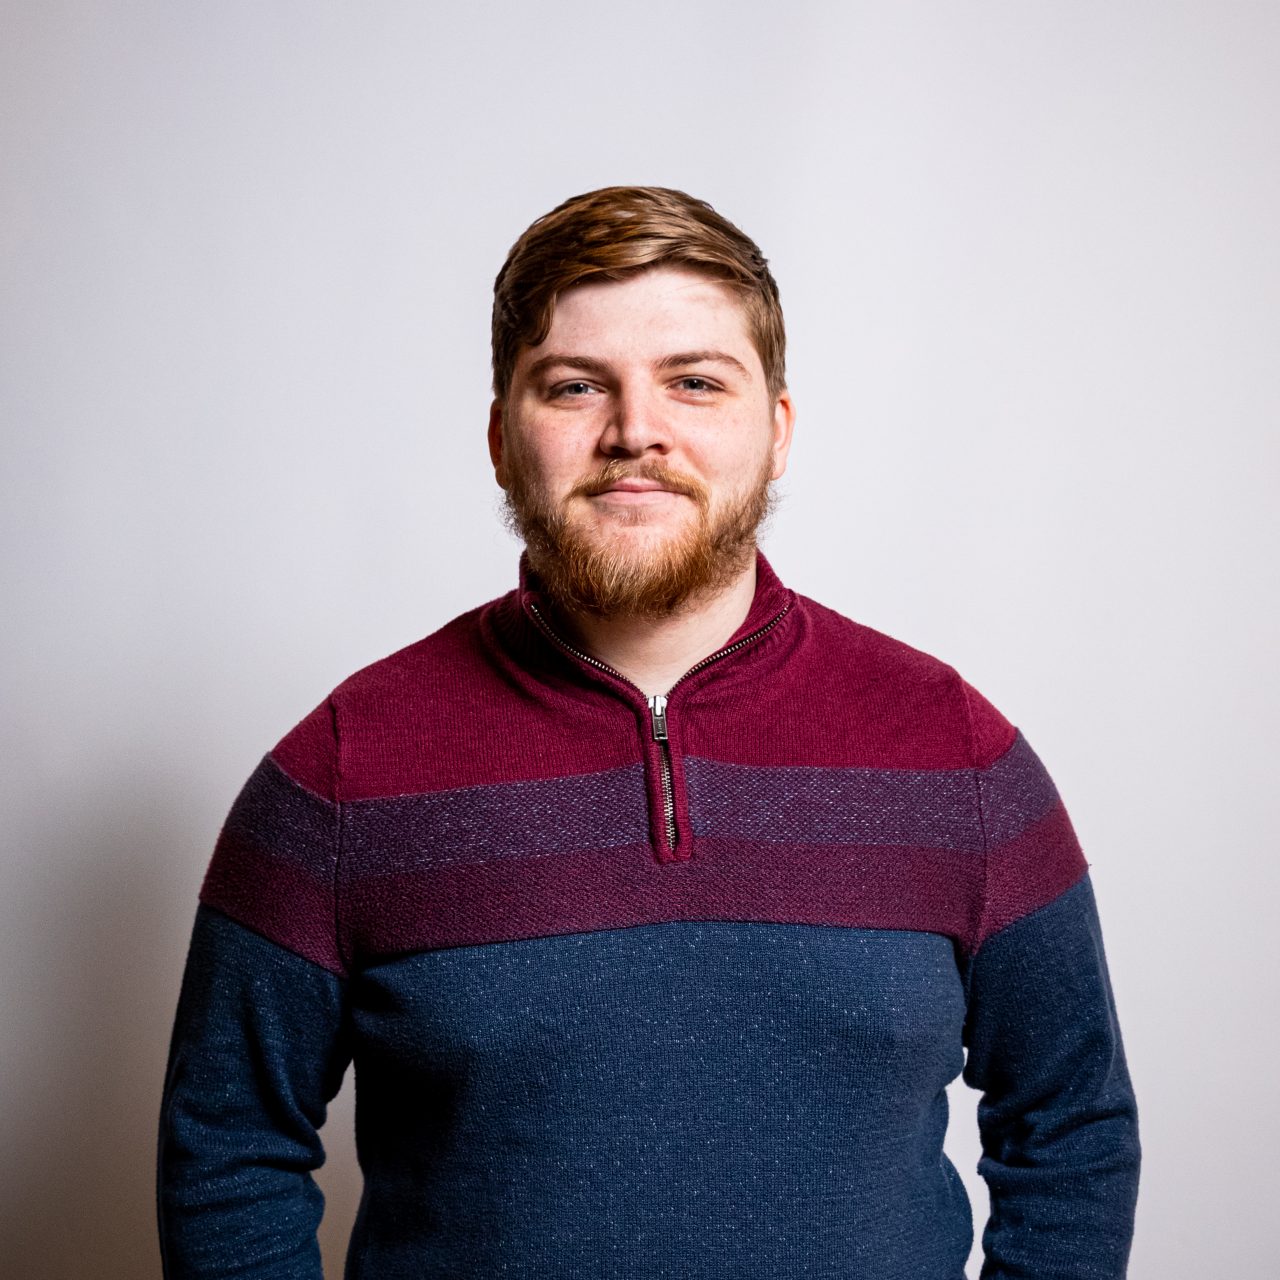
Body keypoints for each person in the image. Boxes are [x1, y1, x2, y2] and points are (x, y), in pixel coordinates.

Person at [157, 185, 1141, 1279]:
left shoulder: (956, 753)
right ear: (499, 436)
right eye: (575, 385)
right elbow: (227, 1147)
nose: (635, 431)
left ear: (774, 428)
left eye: (693, 382)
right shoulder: (340, 771)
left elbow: (1071, 1124)